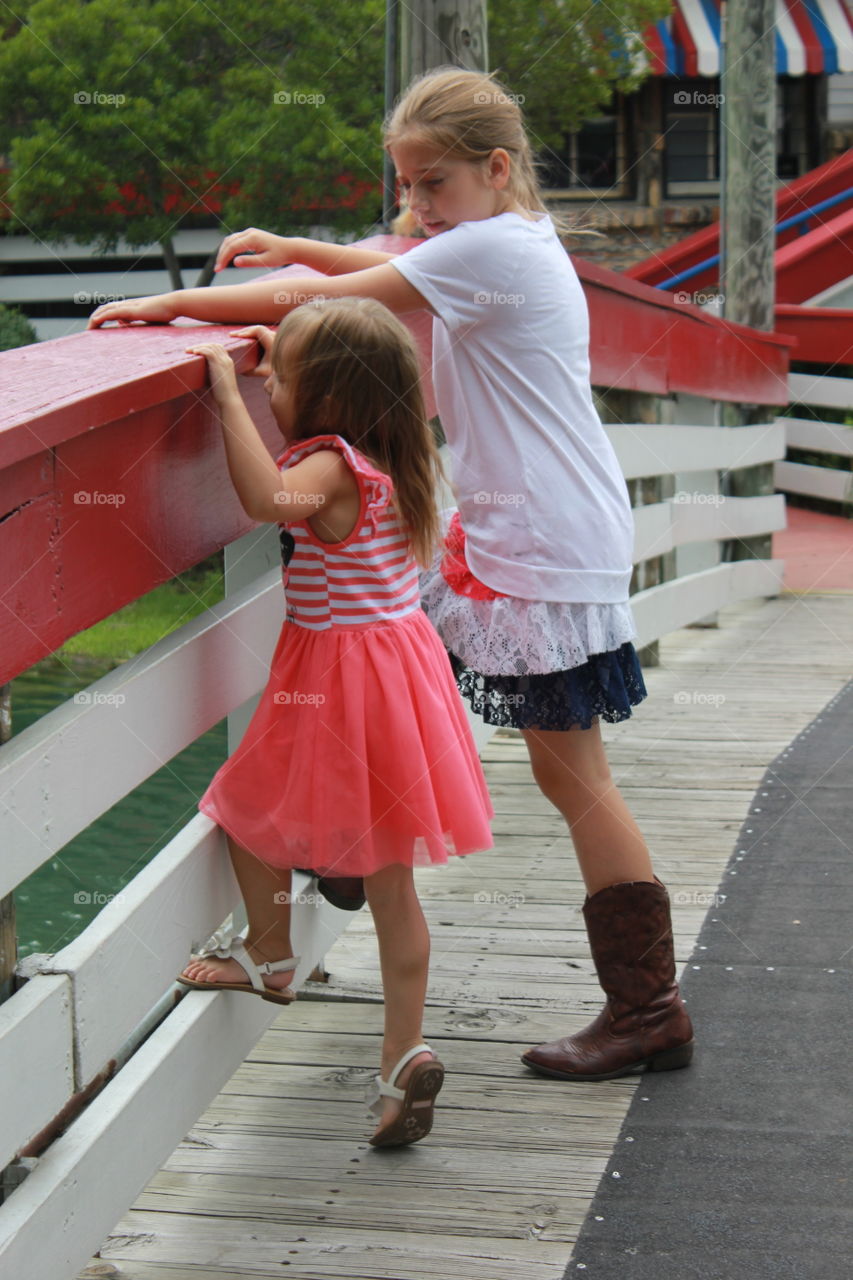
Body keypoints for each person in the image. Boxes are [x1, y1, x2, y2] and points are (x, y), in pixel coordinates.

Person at [88, 66, 694, 1082]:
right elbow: (392, 263)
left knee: (570, 771)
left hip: (537, 542)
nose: (414, 206)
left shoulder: (493, 247)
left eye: (433, 183)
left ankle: (647, 1005)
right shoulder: (505, 239)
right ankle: (346, 854)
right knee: (415, 678)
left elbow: (326, 300)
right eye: (406, 185)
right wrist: (299, 246)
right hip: (530, 532)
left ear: (497, 170)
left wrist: (172, 301)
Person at [175, 297, 494, 1147]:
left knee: (244, 807)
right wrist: (295, 353)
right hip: (401, 676)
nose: (267, 383)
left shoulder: (327, 464)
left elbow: (265, 497)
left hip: (337, 678)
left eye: (281, 376)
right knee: (393, 881)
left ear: (327, 400)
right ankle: (401, 1055)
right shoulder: (397, 455)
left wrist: (221, 391)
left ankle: (270, 952)